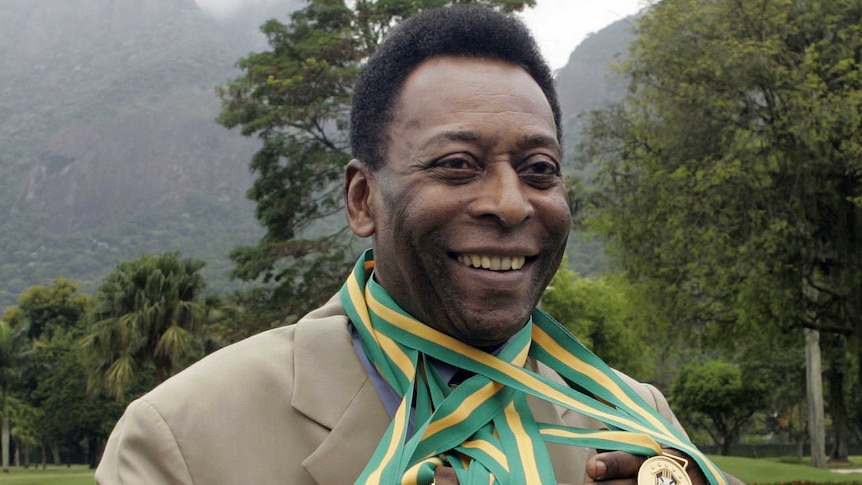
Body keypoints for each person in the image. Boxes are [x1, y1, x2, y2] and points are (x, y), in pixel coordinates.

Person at [95, 6, 743, 485]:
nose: (512, 202)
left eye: (539, 168)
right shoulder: (180, 439)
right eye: (458, 163)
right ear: (361, 199)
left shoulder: (638, 422)